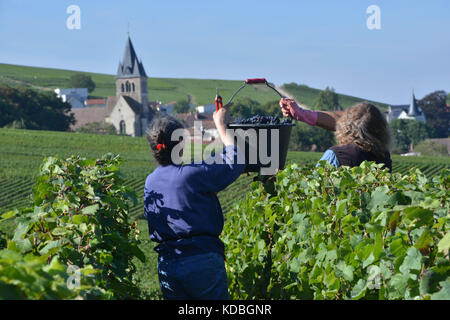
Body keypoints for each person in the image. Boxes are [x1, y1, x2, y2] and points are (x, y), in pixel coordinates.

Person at [144, 102, 245, 300]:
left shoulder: (150, 182)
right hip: (201, 260)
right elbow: (234, 159)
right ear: (180, 145)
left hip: (167, 264)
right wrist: (221, 125)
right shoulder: (191, 174)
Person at [280, 98, 392, 171]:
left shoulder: (335, 155)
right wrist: (303, 114)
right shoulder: (384, 157)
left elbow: (313, 189)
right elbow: (342, 121)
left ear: (346, 125)